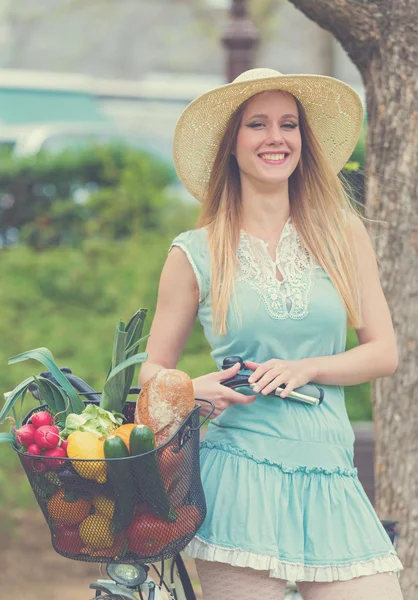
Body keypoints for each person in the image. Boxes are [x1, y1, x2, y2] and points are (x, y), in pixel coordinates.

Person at [138, 68, 404, 600]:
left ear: (303, 142)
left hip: (330, 473)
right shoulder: (195, 251)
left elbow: (384, 353)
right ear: (232, 144)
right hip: (239, 476)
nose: (275, 137)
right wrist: (192, 388)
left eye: (288, 124)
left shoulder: (343, 235)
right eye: (257, 124)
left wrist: (309, 367)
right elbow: (149, 371)